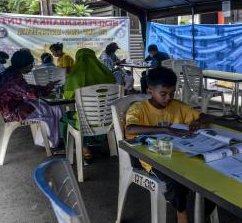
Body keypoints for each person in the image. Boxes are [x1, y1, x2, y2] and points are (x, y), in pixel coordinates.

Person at [125, 66, 215, 223]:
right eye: (163, 94)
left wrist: (198, 121)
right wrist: (165, 129)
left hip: (180, 152)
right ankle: (182, 212)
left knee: (211, 171)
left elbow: (205, 116)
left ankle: (204, 212)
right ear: (150, 91)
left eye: (172, 93)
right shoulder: (138, 109)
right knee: (176, 178)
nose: (169, 98)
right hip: (152, 153)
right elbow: (130, 128)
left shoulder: (178, 106)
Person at [0, 48, 62, 149]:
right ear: (26, 65)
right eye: (31, 65)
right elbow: (32, 93)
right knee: (50, 112)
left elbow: (27, 89)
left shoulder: (9, 74)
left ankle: (48, 139)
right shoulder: (14, 78)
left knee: (52, 108)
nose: (31, 67)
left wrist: (46, 87)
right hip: (11, 113)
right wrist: (48, 87)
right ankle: (51, 143)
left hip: (8, 109)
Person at [63, 48, 117, 160]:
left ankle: (83, 147)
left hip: (85, 123)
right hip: (109, 120)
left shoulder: (75, 76)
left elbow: (67, 96)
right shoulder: (107, 73)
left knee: (65, 119)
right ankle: (108, 145)